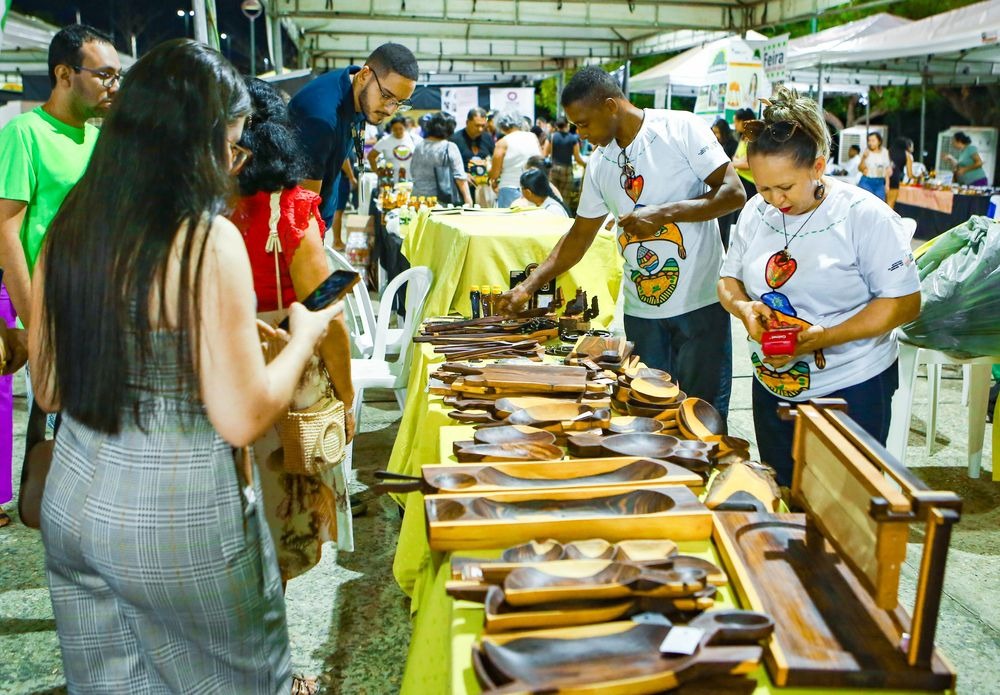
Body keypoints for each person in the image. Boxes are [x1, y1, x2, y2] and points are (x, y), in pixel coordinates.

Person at [29, 39, 344, 693]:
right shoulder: (205, 236)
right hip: (176, 508)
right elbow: (244, 414)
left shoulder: (70, 226)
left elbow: (50, 387)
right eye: (230, 144)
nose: (237, 162)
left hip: (75, 500)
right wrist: (305, 334)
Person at [497, 66, 746, 417]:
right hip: (642, 311)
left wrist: (662, 214)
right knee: (650, 414)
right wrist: (529, 285)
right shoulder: (600, 163)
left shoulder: (680, 128)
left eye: (584, 124)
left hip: (699, 303)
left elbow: (734, 194)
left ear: (611, 106)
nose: (581, 135)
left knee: (703, 413)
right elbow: (580, 235)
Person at [717, 87, 921, 486]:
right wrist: (743, 309)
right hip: (772, 385)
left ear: (818, 166)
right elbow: (729, 280)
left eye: (786, 187)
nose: (775, 200)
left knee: (843, 506)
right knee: (785, 494)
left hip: (850, 388)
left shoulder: (864, 216)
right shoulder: (757, 212)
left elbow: (905, 303)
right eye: (763, 187)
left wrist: (825, 336)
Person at [231, 78, 357, 581]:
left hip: (220, 370)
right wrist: (346, 397)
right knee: (282, 510)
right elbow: (329, 315)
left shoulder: (200, 206)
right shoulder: (291, 210)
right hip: (283, 372)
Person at [0, 24, 121, 528]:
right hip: (44, 303)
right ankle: (45, 514)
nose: (114, 86)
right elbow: (7, 230)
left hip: (91, 305)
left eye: (118, 76)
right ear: (65, 74)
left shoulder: (98, 139)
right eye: (105, 75)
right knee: (51, 417)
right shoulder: (23, 135)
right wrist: (33, 322)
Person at [288, 42, 418, 242]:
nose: (390, 110)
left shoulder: (354, 90)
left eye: (399, 103)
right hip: (297, 234)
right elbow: (302, 214)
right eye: (386, 96)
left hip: (317, 223)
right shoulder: (321, 118)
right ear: (365, 75)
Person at [410, 112, 473, 206]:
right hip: (440, 201)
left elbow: (413, 171)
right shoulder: (449, 147)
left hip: (417, 199)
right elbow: (459, 177)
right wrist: (468, 199)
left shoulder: (419, 146)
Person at [490, 113, 543, 208]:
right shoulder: (532, 137)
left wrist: (489, 170)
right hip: (533, 189)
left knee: (510, 221)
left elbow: (494, 173)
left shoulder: (502, 143)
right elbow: (540, 159)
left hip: (509, 188)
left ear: (501, 126)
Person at [451, 107, 495, 199]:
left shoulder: (487, 138)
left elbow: (494, 159)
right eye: (477, 125)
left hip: (484, 190)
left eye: (483, 126)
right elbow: (448, 166)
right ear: (467, 122)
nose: (480, 129)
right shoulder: (454, 140)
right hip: (462, 189)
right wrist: (463, 174)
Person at [546, 118, 587, 210]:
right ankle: (564, 214)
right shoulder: (572, 139)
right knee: (565, 198)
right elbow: (577, 158)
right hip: (567, 170)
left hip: (554, 169)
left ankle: (553, 212)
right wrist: (585, 164)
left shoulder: (552, 137)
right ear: (567, 125)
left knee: (553, 195)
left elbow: (545, 153)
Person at [368, 115, 417, 182]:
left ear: (405, 127)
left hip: (411, 180)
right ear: (391, 129)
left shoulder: (413, 138)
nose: (398, 131)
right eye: (395, 129)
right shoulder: (385, 140)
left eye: (400, 128)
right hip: (391, 181)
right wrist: (377, 172)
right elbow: (371, 156)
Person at [731, 108, 758, 201]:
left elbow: (749, 164)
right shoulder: (743, 137)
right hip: (741, 180)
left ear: (743, 121)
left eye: (736, 122)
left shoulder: (753, 139)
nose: (734, 125)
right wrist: (739, 161)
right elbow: (735, 157)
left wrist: (735, 163)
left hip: (749, 184)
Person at [858, 131, 891, 201]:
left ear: (879, 141)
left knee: (880, 205)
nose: (870, 143)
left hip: (880, 182)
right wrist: (863, 158)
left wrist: (887, 184)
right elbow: (860, 169)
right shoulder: (866, 151)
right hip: (866, 181)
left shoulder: (885, 152)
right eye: (869, 141)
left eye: (873, 140)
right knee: (866, 204)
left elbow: (886, 169)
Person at [887, 137, 915, 209]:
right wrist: (917, 177)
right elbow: (910, 174)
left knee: (882, 202)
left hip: (885, 176)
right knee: (890, 203)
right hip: (895, 177)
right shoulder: (907, 155)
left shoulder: (888, 151)